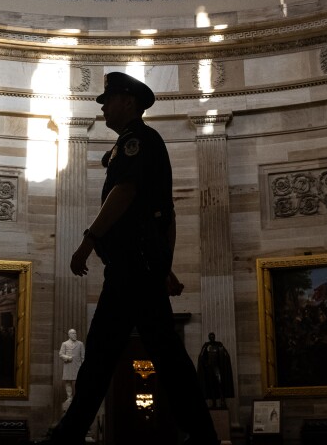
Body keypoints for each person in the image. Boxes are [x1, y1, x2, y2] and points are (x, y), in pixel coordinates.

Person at [34, 72, 219, 445]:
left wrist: (88, 240)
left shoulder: (137, 141)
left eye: (109, 99)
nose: (103, 106)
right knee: (160, 355)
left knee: (104, 356)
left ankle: (69, 434)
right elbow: (166, 215)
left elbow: (125, 191)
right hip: (141, 269)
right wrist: (164, 268)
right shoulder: (138, 143)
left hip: (131, 270)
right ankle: (202, 434)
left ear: (129, 102)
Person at [196, 332, 234, 409]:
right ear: (209, 337)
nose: (212, 338)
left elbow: (226, 354)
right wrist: (205, 364)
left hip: (217, 368)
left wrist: (225, 358)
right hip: (209, 368)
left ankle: (222, 401)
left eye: (213, 336)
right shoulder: (206, 345)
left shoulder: (218, 344)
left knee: (220, 383)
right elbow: (201, 356)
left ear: (215, 337)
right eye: (211, 337)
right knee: (211, 385)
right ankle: (214, 403)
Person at [58, 328, 85, 410]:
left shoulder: (80, 344)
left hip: (78, 365)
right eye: (73, 333)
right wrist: (67, 358)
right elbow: (61, 354)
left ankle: (78, 396)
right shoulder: (65, 344)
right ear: (69, 335)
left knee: (78, 382)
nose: (75, 335)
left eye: (75, 333)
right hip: (68, 365)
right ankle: (69, 397)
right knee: (68, 381)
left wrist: (83, 366)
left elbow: (83, 356)